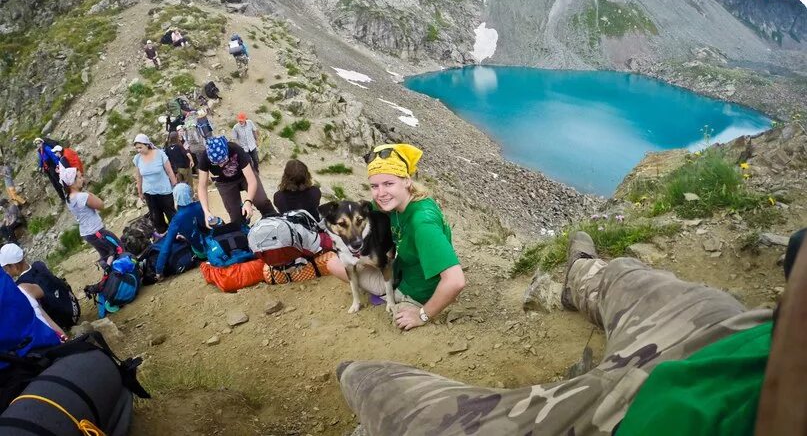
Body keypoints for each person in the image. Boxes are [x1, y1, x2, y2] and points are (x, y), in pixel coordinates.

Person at [337, 229, 807, 436]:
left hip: (630, 415)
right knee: (633, 279)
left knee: (418, 416)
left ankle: (357, 374)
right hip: (741, 332)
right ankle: (583, 272)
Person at [326, 143, 465, 331]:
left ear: (407, 180)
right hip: (401, 271)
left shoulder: (422, 223)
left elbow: (456, 281)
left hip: (415, 291)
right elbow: (361, 213)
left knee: (333, 264)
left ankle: (394, 298)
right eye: (374, 186)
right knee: (336, 261)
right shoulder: (399, 203)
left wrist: (423, 315)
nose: (380, 193)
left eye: (388, 184)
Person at [0, 243, 80, 333]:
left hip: (64, 322)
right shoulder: (39, 265)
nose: (5, 271)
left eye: (5, 268)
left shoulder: (23, 286)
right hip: (74, 310)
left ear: (14, 266)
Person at [197, 136, 275, 226]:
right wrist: (206, 211)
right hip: (224, 182)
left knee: (261, 201)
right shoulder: (204, 157)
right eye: (216, 163)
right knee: (235, 217)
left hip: (243, 176)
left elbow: (251, 180)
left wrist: (248, 201)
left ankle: (275, 220)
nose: (221, 165)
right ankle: (243, 230)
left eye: (223, 160)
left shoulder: (236, 149)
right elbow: (202, 186)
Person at [60, 167, 124, 267]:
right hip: (97, 231)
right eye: (79, 177)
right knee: (118, 248)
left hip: (87, 233)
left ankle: (110, 274)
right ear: (72, 182)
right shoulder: (82, 196)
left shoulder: (68, 198)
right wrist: (89, 194)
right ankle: (120, 272)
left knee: (106, 254)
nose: (83, 179)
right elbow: (101, 205)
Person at [153, 183, 207, 282]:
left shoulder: (176, 219)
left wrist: (159, 270)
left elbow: (166, 247)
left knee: (173, 240)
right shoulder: (201, 205)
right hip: (213, 245)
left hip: (202, 253)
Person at [132, 133, 177, 238]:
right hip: (149, 192)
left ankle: (178, 232)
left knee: (171, 213)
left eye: (140, 147)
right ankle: (164, 235)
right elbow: (139, 176)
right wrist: (140, 191)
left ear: (147, 144)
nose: (139, 150)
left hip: (164, 190)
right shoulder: (137, 158)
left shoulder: (160, 154)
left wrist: (175, 185)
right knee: (156, 216)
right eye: (137, 148)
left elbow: (169, 171)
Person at [34, 138, 65, 202]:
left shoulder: (46, 148)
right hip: (47, 168)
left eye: (39, 143)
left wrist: (58, 164)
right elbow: (41, 159)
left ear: (42, 142)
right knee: (54, 183)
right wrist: (40, 166)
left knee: (58, 181)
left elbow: (53, 156)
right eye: (36, 144)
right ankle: (62, 197)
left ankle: (67, 193)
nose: (38, 145)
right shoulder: (40, 150)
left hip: (52, 166)